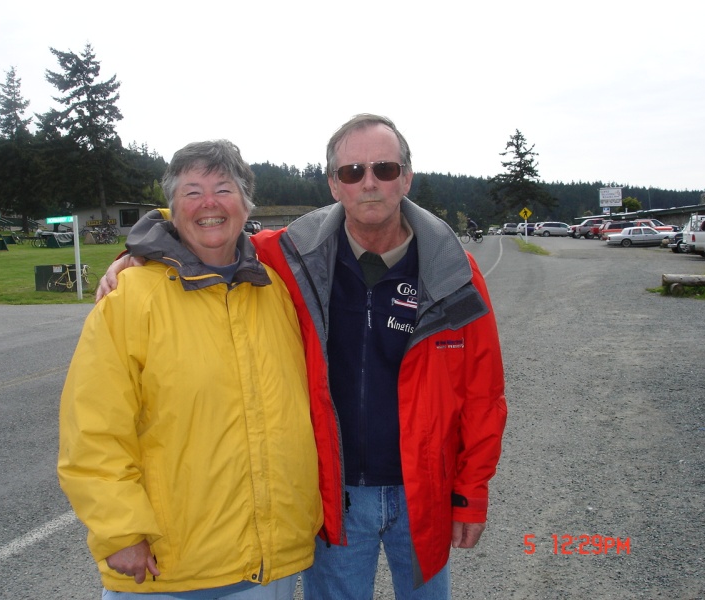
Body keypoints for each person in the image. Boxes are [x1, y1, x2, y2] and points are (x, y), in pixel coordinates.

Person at [99, 114, 507, 599]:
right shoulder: (291, 257)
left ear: (407, 177)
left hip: (426, 495)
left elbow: (484, 397)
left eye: (385, 169)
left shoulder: (454, 274)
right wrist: (143, 249)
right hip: (334, 500)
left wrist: (470, 494)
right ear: (334, 184)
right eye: (353, 172)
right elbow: (211, 225)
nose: (370, 182)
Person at [58, 140, 323, 599]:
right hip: (171, 570)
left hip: (270, 562)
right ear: (171, 209)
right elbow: (92, 430)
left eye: (224, 189)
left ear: (246, 204)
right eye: (192, 192)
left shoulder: (276, 289)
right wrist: (120, 530)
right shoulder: (130, 299)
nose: (209, 204)